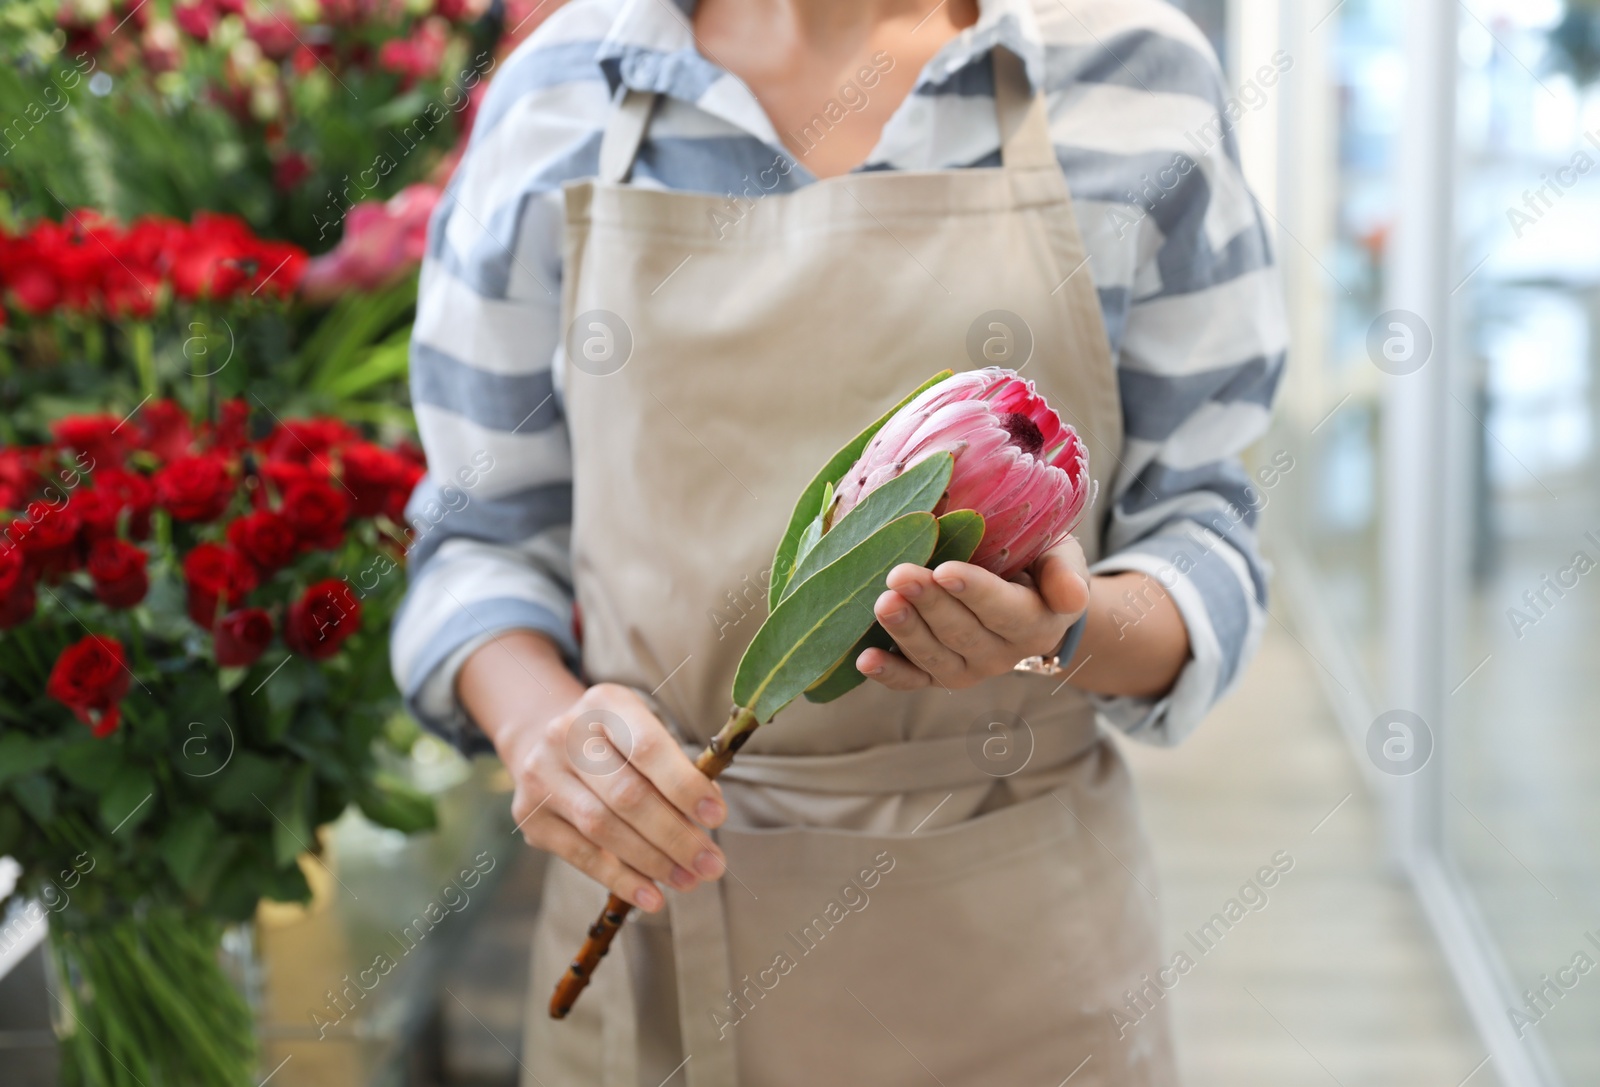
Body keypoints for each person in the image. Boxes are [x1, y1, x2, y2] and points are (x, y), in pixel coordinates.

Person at [390, 0, 1285, 1082]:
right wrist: (543, 732)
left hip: (1019, 964)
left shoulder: (1133, 77)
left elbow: (1203, 533)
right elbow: (475, 540)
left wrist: (1068, 627)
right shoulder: (562, 94)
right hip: (653, 935)